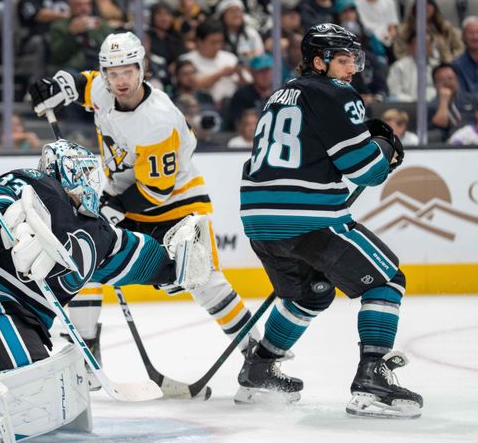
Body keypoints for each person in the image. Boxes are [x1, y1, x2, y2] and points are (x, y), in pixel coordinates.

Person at [0, 139, 213, 443]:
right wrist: (9, 229)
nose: (92, 182)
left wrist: (175, 267)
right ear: (67, 171)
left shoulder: (98, 234)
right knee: (27, 396)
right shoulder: (35, 186)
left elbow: (136, 258)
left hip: (19, 321)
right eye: (86, 172)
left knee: (47, 401)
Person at [29, 32, 260, 375]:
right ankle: (86, 355)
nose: (121, 80)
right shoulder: (104, 91)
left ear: (142, 69)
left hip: (178, 204)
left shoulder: (158, 120)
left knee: (203, 279)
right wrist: (56, 87)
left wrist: (112, 207)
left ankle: (258, 358)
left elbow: (156, 190)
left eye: (128, 71)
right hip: (126, 198)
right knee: (82, 257)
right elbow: (83, 84)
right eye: (113, 72)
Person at [237, 23, 421, 418]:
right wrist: (383, 151)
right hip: (306, 218)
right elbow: (364, 169)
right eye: (343, 59)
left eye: (354, 58)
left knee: (310, 294)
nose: (352, 68)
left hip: (257, 219)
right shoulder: (334, 93)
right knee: (387, 280)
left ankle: (259, 369)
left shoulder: (278, 95)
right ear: (318, 62)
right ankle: (372, 379)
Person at [180, 21, 246, 107]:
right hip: (200, 107)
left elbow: (246, 86)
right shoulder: (186, 60)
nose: (217, 46)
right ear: (199, 41)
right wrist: (220, 74)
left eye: (220, 42)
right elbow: (191, 86)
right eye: (213, 42)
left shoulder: (230, 58)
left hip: (233, 106)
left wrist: (239, 73)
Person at [48, 0, 113, 73]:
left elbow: (110, 50)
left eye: (87, 4)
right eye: (79, 5)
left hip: (97, 66)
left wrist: (96, 33)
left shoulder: (100, 25)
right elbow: (57, 56)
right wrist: (71, 34)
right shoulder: (59, 26)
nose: (84, 8)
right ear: (70, 6)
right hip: (71, 68)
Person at [225, 53, 273, 131]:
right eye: (260, 71)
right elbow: (235, 123)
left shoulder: (281, 93)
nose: (265, 75)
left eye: (268, 71)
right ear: (252, 73)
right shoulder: (242, 95)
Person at [216, 0, 264, 66]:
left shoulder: (251, 33)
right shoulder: (217, 36)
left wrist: (251, 55)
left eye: (239, 11)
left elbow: (261, 56)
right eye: (232, 11)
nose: (236, 14)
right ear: (222, 16)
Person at [453, 17, 478, 102]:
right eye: (471, 33)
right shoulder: (455, 66)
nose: (475, 37)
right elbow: (460, 97)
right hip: (468, 111)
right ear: (463, 37)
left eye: (477, 32)